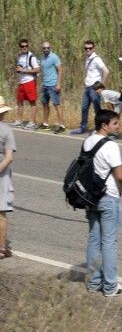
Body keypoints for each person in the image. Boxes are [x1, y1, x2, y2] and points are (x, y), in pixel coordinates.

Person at [84, 110, 122, 296]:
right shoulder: (110, 146)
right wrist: (120, 191)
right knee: (109, 242)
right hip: (108, 197)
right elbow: (119, 175)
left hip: (91, 198)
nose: (118, 126)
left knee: (94, 240)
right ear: (105, 125)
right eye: (115, 123)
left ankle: (94, 283)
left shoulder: (88, 141)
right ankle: (111, 286)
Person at [71, 40, 109, 135]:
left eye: (90, 48)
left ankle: (99, 129)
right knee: (84, 108)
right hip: (87, 87)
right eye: (86, 48)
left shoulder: (96, 59)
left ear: (94, 48)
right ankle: (83, 127)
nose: (88, 50)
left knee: (97, 109)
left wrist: (101, 85)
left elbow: (106, 71)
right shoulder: (87, 58)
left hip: (94, 88)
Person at [12, 39, 40, 130]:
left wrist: (23, 70)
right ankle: (19, 120)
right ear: (19, 47)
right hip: (21, 82)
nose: (24, 48)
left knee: (32, 102)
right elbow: (19, 67)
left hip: (30, 81)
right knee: (19, 102)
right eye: (22, 46)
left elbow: (37, 69)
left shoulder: (32, 57)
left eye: (26, 46)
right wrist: (18, 69)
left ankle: (32, 122)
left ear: (28, 46)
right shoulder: (19, 56)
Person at [0, 96, 16, 260]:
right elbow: (9, 157)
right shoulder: (6, 131)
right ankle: (1, 247)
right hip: (2, 175)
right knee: (1, 213)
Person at [39, 41, 66, 134]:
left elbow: (61, 70)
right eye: (44, 48)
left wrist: (58, 84)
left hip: (53, 85)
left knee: (57, 105)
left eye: (48, 48)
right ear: (42, 48)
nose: (46, 49)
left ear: (50, 48)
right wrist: (42, 84)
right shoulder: (42, 58)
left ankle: (62, 126)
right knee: (45, 104)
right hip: (45, 85)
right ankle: (45, 123)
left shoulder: (54, 57)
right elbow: (44, 71)